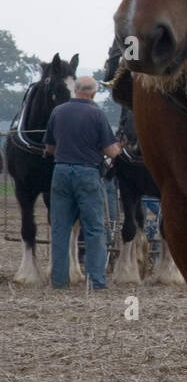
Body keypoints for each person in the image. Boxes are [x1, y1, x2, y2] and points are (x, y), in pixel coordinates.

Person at [44, 76, 121, 289]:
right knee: (94, 228)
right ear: (93, 93)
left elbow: (50, 148)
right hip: (87, 173)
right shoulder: (96, 113)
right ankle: (95, 280)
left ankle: (59, 281)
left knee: (60, 228)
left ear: (75, 90)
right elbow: (110, 150)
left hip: (60, 172)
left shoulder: (57, 112)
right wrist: (120, 148)